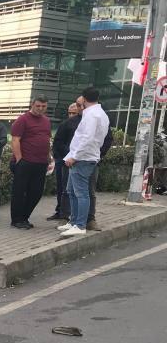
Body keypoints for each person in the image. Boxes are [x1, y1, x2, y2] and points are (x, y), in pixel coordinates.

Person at [59, 87, 109, 238]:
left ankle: (80, 225)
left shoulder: (92, 115)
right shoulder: (100, 114)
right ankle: (73, 221)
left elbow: (87, 138)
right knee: (72, 191)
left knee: (81, 193)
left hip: (83, 158)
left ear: (85, 99)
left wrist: (75, 156)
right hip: (85, 156)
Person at [9, 96, 52, 229]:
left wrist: (49, 156)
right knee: (19, 192)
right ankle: (16, 220)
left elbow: (46, 139)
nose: (40, 108)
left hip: (41, 163)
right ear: (32, 105)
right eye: (38, 106)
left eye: (43, 106)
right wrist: (19, 159)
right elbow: (15, 140)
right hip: (25, 162)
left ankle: (24, 217)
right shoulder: (22, 119)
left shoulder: (46, 121)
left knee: (36, 192)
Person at [48, 102, 81, 222]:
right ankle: (60, 211)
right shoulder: (65, 124)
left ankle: (67, 213)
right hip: (62, 160)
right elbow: (57, 142)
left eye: (74, 113)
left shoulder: (82, 124)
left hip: (75, 160)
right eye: (69, 113)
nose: (71, 115)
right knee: (61, 188)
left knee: (70, 189)